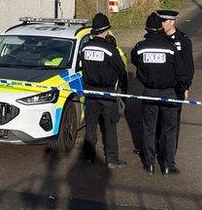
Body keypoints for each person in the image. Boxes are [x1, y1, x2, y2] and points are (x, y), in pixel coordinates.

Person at [131, 12, 188, 176]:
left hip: (149, 92)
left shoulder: (140, 47)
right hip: (168, 93)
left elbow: (135, 60)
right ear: (160, 28)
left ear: (147, 29)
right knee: (170, 129)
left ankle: (149, 164)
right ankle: (168, 165)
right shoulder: (170, 48)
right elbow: (181, 71)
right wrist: (183, 87)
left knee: (149, 129)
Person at [79, 13, 128, 169]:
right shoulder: (110, 49)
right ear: (106, 31)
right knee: (110, 126)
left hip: (91, 92)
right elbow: (121, 70)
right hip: (107, 93)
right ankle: (112, 159)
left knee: (91, 125)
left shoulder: (85, 47)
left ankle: (88, 157)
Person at [157, 9, 194, 169]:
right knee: (158, 120)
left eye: (164, 21)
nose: (162, 24)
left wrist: (185, 87)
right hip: (159, 87)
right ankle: (157, 149)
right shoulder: (158, 38)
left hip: (176, 88)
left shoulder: (183, 41)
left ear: (172, 22)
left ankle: (170, 154)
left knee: (172, 123)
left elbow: (188, 67)